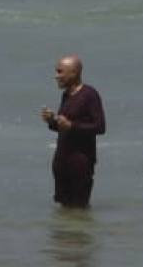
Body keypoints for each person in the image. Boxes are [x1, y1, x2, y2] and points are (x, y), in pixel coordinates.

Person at [41, 55, 107, 210]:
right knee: (64, 209)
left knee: (79, 209)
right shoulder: (66, 95)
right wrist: (52, 121)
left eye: (60, 72)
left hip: (81, 162)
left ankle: (81, 234)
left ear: (74, 73)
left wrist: (72, 126)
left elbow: (100, 127)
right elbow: (64, 127)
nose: (56, 76)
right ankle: (65, 235)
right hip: (62, 160)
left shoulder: (89, 95)